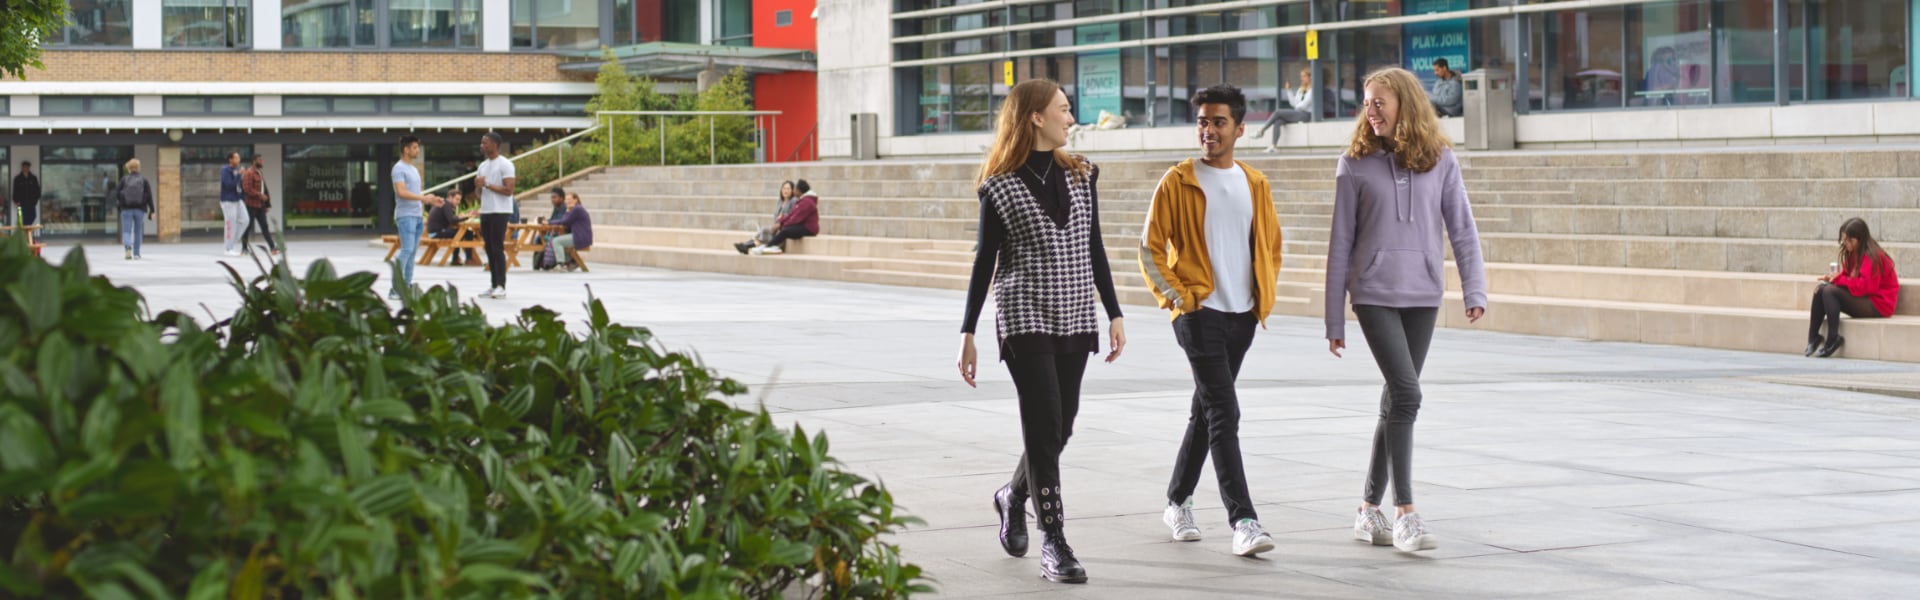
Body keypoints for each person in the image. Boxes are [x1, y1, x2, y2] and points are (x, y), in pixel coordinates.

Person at [958, 79, 1125, 585]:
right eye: (1063, 109)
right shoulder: (1000, 186)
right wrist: (967, 332)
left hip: (1075, 312)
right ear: (1035, 116)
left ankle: (1012, 495)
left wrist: (1114, 312)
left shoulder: (1083, 175)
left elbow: (1094, 246)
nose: (1070, 117)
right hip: (1024, 314)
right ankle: (1054, 539)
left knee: (1061, 425)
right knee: (1044, 418)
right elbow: (985, 261)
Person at [1325, 67, 1487, 554]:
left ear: (1406, 106)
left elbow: (1462, 228)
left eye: (1380, 103)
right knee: (1408, 394)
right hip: (1373, 293)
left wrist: (1473, 288)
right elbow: (1339, 245)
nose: (1370, 111)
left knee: (1395, 401)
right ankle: (1406, 513)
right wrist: (1335, 317)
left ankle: (1368, 509)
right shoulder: (1353, 164)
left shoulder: (1440, 160)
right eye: (1367, 102)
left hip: (1423, 294)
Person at [1139, 84, 1285, 558]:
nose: (1208, 130)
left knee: (1206, 412)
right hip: (1198, 314)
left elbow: (1271, 247)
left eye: (1218, 122)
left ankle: (1176, 500)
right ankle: (1243, 519)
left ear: (1240, 129)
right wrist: (1180, 300)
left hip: (1242, 316)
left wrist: (1263, 294)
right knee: (1225, 411)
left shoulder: (1255, 183)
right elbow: (1150, 248)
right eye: (1202, 121)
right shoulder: (1179, 180)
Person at [1807, 217, 1901, 358]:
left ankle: (1833, 339)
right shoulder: (1854, 253)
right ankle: (1813, 337)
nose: (1845, 243)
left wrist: (1839, 280)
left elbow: (1866, 287)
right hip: (1865, 299)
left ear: (1859, 239)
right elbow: (1846, 277)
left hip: (1879, 304)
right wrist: (1833, 279)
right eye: (1844, 239)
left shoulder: (1872, 256)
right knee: (1821, 289)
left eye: (1849, 240)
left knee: (1830, 291)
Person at [390, 135, 439, 300]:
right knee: (406, 251)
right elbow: (401, 192)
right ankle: (395, 289)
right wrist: (423, 198)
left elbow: (415, 193)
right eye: (415, 147)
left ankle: (407, 286)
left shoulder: (413, 169)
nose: (417, 150)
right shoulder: (399, 168)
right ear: (406, 149)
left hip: (417, 216)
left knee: (411, 253)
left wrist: (430, 198)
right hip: (405, 216)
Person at [474, 132, 518, 299]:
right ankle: (493, 285)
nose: (482, 146)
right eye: (481, 143)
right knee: (489, 248)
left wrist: (486, 184)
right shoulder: (483, 166)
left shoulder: (506, 164)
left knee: (497, 247)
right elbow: (479, 194)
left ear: (494, 145)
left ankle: (501, 285)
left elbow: (509, 191)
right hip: (486, 210)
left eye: (485, 143)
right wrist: (478, 187)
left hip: (500, 211)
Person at [1250, 67, 1316, 153]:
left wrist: (1296, 107)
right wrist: (1289, 91)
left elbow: (1304, 105)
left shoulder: (1312, 90)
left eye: (1304, 76)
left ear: (1310, 77)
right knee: (1278, 121)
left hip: (1306, 114)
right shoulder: (1301, 89)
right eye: (1301, 76)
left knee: (1278, 112)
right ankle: (1274, 146)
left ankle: (1261, 130)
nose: (1302, 78)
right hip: (1298, 112)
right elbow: (1293, 103)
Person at [750, 179, 819, 255]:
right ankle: (766, 245)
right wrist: (780, 222)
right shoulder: (803, 200)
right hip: (803, 226)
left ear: (799, 191)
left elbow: (796, 218)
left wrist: (781, 224)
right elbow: (791, 215)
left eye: (795, 189)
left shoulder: (807, 202)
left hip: (809, 229)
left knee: (785, 231)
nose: (794, 191)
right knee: (782, 229)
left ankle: (768, 246)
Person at [736, 180, 798, 254]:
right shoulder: (780, 201)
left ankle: (747, 245)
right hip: (775, 227)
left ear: (792, 190)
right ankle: (746, 246)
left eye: (788, 189)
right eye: (784, 188)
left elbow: (792, 215)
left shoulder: (793, 201)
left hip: (783, 229)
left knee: (764, 230)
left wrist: (781, 221)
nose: (786, 191)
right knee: (763, 230)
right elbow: (775, 216)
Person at [239, 154, 280, 256]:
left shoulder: (259, 172)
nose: (261, 161)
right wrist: (260, 195)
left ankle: (272, 248)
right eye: (259, 160)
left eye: (262, 159)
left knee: (265, 227)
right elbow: (247, 189)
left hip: (260, 205)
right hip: (251, 205)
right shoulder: (249, 173)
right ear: (254, 161)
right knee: (247, 227)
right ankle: (244, 248)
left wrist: (265, 204)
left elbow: (263, 188)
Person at [116, 158, 155, 260]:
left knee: (126, 231)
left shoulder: (124, 179)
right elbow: (149, 196)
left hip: (126, 209)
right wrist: (152, 210)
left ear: (128, 168)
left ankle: (128, 246)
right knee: (138, 231)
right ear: (138, 168)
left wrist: (120, 205)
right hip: (140, 209)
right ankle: (136, 254)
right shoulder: (144, 180)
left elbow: (117, 193)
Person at [428, 188, 479, 266]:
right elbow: (452, 220)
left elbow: (451, 219)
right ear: (450, 197)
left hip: (435, 232)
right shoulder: (446, 204)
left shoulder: (444, 203)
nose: (458, 202)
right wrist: (468, 216)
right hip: (437, 233)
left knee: (458, 233)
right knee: (468, 233)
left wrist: (462, 216)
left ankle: (455, 259)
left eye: (459, 200)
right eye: (457, 199)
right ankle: (468, 259)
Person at [549, 192, 593, 272]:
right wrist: (568, 210)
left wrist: (549, 222)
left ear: (576, 200)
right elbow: (565, 221)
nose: (567, 201)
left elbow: (565, 221)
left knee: (557, 241)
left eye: (569, 199)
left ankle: (561, 264)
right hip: (579, 236)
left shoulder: (577, 209)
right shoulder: (575, 209)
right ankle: (572, 261)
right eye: (566, 199)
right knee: (559, 239)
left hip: (580, 237)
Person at [219, 151, 249, 256]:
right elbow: (228, 185)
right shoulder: (225, 170)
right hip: (228, 201)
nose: (238, 160)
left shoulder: (237, 170)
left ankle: (232, 242)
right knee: (230, 224)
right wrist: (239, 175)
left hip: (238, 199)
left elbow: (239, 186)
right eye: (236, 158)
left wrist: (243, 197)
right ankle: (228, 249)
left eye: (239, 158)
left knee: (245, 220)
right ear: (230, 159)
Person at [12, 161, 39, 227]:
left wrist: (35, 200)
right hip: (21, 203)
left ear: (29, 168)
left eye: (27, 167)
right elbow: (15, 191)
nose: (26, 168)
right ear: (22, 168)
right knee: (21, 218)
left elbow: (37, 190)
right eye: (24, 167)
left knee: (33, 216)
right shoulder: (18, 179)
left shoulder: (33, 178)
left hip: (31, 203)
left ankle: (27, 231)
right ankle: (24, 234)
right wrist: (16, 201)